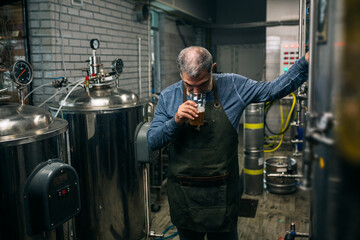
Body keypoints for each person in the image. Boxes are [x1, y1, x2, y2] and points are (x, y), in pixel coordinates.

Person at [147, 46, 309, 240]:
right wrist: (175, 121)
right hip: (185, 197)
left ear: (213, 68)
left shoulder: (233, 86)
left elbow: (272, 90)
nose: (196, 92)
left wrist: (304, 63)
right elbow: (152, 141)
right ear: (180, 74)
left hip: (221, 196)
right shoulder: (168, 96)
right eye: (190, 86)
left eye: (203, 84)